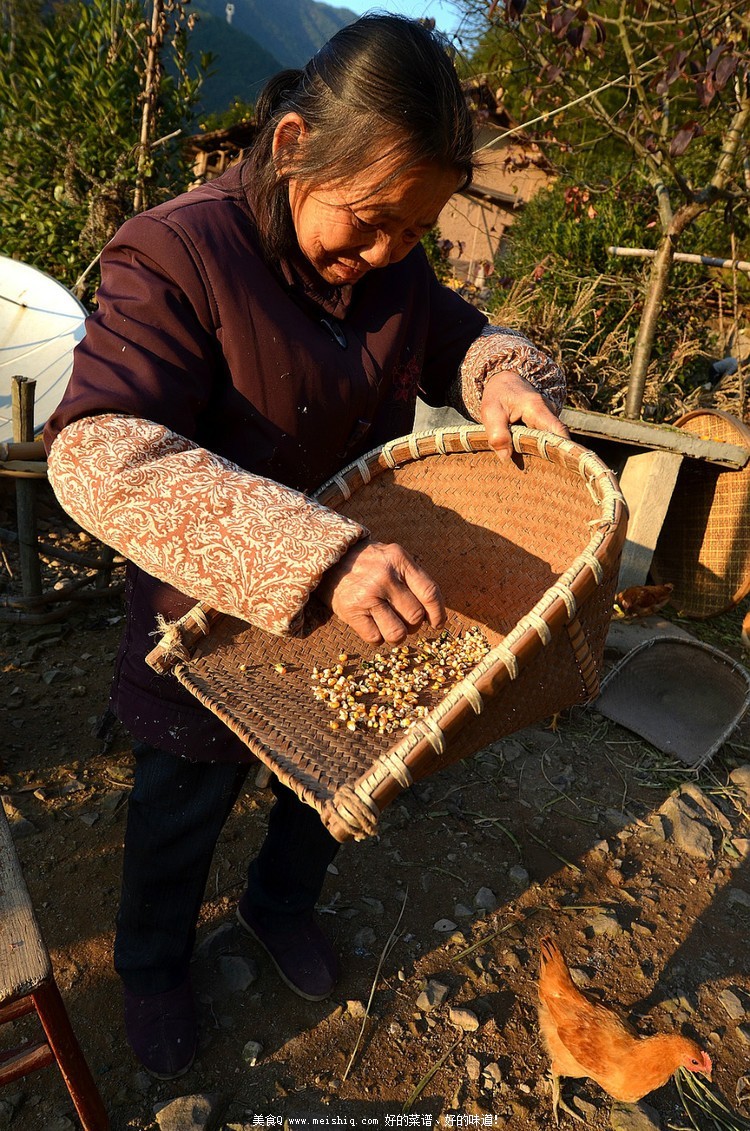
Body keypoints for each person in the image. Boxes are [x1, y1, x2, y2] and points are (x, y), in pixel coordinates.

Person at [44, 14, 568, 1081]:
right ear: (291, 149)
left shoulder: (394, 273)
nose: (386, 255)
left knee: (327, 788)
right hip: (212, 613)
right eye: (370, 223)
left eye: (415, 234)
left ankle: (279, 908)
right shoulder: (178, 252)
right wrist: (314, 556)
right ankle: (150, 966)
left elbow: (462, 337)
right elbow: (98, 452)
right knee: (180, 800)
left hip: (360, 601)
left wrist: (504, 373)